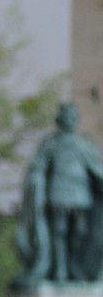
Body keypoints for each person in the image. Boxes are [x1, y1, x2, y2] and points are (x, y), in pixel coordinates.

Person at [15, 101, 103, 286]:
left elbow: (96, 169)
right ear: (60, 119)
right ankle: (61, 271)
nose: (69, 120)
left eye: (72, 116)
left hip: (81, 198)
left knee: (79, 233)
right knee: (59, 233)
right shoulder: (52, 144)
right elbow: (39, 167)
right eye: (66, 116)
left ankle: (76, 269)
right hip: (58, 195)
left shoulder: (83, 144)